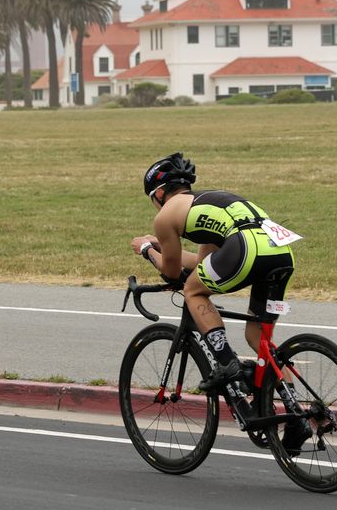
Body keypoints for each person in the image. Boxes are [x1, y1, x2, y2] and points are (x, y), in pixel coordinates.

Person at [130, 152, 308, 450]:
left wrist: (148, 248)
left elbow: (172, 272)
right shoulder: (206, 205)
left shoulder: (164, 216)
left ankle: (227, 365)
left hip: (245, 246)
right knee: (257, 337)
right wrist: (163, 244)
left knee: (192, 290)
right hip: (279, 250)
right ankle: (296, 416)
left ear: (159, 193)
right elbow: (203, 262)